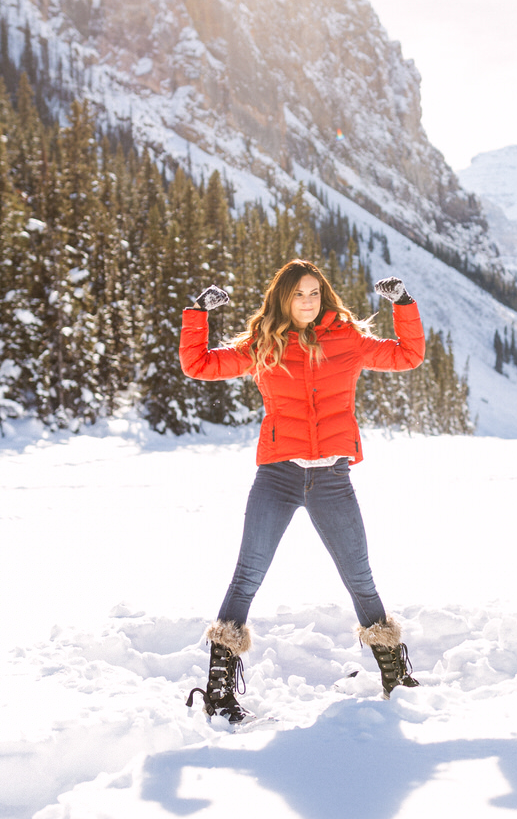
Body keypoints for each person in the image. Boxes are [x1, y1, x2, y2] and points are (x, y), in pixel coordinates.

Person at [179, 259, 427, 722]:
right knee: (247, 576)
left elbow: (407, 355)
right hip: (278, 475)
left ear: (324, 295)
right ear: (282, 298)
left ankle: (396, 679)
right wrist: (198, 314)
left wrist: (404, 306)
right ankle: (217, 690)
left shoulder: (348, 340)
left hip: (332, 478)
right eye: (298, 294)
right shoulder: (263, 343)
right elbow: (199, 365)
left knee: (360, 579)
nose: (308, 301)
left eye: (314, 292)